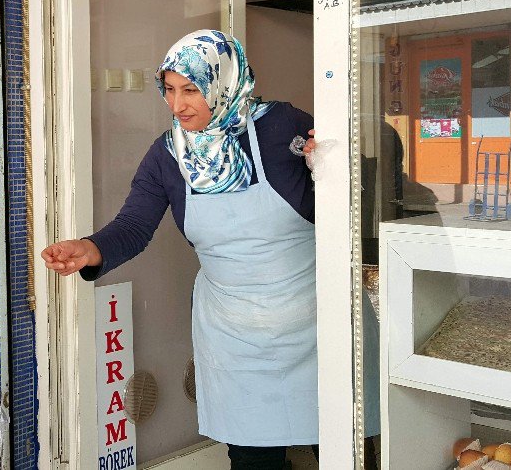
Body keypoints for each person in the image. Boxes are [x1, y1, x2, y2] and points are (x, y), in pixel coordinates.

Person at [42, 30, 380, 469]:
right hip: (235, 335)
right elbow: (134, 226)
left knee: (346, 452)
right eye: (168, 90)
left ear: (224, 82)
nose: (178, 105)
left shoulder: (283, 127)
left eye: (191, 89)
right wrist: (89, 248)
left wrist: (331, 168)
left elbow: (353, 185)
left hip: (321, 321)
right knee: (252, 456)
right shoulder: (166, 157)